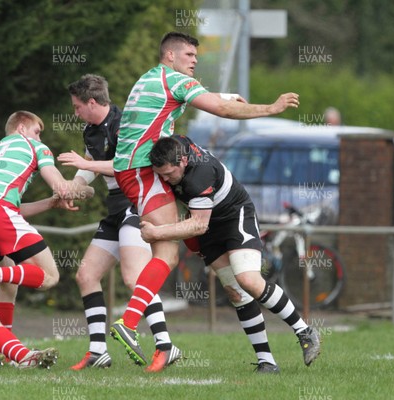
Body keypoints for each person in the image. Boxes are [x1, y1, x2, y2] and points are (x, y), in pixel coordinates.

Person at [109, 31, 300, 365]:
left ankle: (161, 343)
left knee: (183, 243)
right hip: (141, 171)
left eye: (196, 56)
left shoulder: (152, 79)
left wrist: (225, 94)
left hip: (132, 171)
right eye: (188, 55)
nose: (194, 61)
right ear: (169, 56)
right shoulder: (175, 81)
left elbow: (190, 102)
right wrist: (271, 107)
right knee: (167, 253)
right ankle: (128, 322)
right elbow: (221, 110)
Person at [141, 135, 321, 372]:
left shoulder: (200, 175)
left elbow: (198, 225)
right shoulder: (174, 147)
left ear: (183, 161)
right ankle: (267, 362)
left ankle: (304, 331)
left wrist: (157, 233)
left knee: (248, 280)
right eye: (160, 174)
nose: (165, 180)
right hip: (208, 223)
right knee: (235, 292)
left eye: (168, 174)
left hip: (234, 217)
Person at [57, 74, 180, 372]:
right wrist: (73, 187)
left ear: (92, 102)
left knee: (135, 278)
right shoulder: (90, 129)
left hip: (136, 204)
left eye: (77, 107)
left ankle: (165, 346)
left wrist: (85, 165)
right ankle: (98, 351)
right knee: (86, 275)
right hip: (115, 209)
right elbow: (90, 163)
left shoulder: (124, 125)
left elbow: (120, 164)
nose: (75, 113)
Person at [0, 110, 94, 329]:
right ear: (22, 129)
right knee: (49, 276)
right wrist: (85, 188)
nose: (40, 138)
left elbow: (9, 206)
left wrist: (51, 202)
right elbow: (62, 187)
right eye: (37, 131)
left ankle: (6, 350)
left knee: (9, 284)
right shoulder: (34, 146)